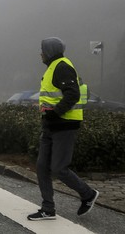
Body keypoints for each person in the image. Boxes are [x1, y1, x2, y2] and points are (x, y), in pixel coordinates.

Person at [27, 37, 99, 221]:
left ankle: (88, 194)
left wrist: (56, 113)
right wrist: (49, 116)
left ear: (49, 51)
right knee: (42, 167)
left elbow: (72, 94)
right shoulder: (53, 66)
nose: (40, 53)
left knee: (59, 168)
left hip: (64, 125)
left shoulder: (62, 66)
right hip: (51, 125)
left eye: (42, 50)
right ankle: (48, 209)